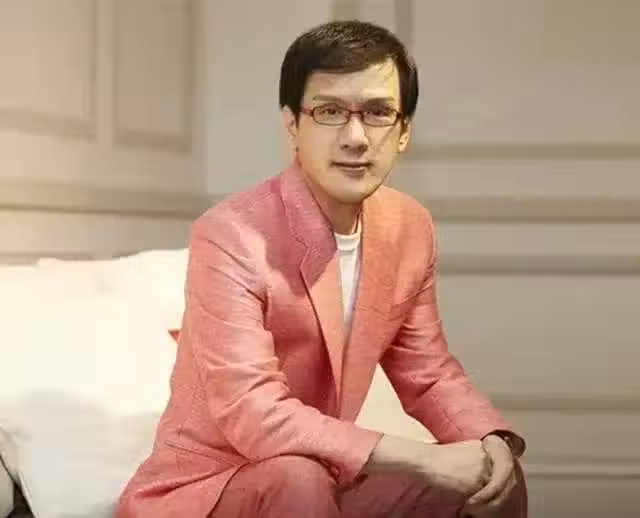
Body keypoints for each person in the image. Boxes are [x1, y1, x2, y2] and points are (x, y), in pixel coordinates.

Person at [116, 20, 527, 518]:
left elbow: (428, 372)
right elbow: (253, 412)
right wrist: (423, 457)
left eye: (378, 113)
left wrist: (489, 438)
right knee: (297, 478)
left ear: (403, 132)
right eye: (330, 111)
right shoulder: (230, 234)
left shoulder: (409, 226)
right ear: (293, 125)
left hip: (324, 476)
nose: (356, 137)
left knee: (491, 481)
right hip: (208, 489)